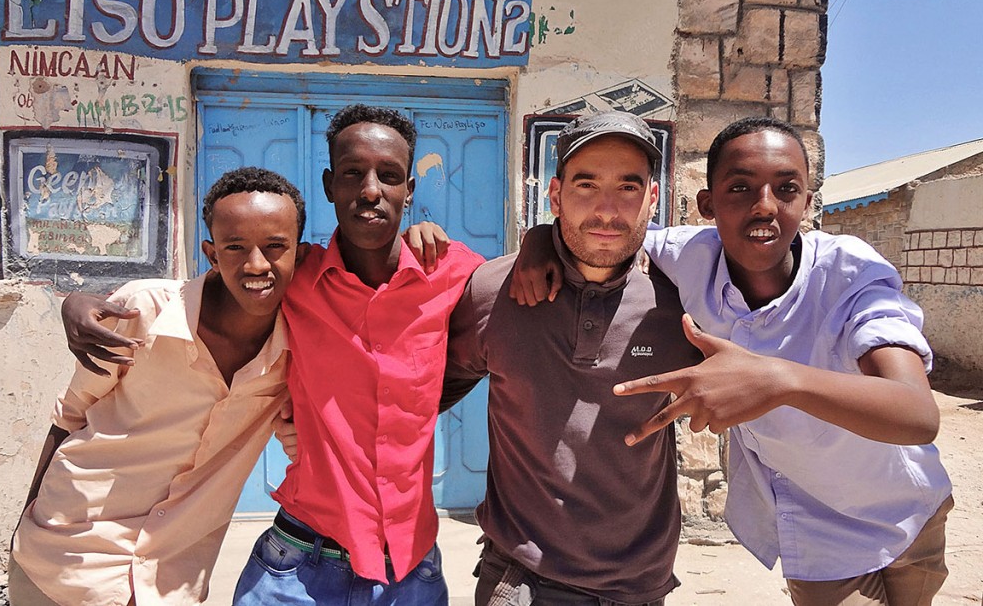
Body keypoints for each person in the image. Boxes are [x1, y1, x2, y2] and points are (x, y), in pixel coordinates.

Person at [513, 117, 953, 605]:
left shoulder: (850, 276)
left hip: (907, 508)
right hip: (818, 521)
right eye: (740, 188)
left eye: (786, 189)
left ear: (808, 202)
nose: (764, 207)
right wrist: (538, 241)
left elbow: (916, 413)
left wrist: (779, 380)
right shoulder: (689, 257)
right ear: (708, 204)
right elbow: (613, 229)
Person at [60, 104, 485, 606]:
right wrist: (79, 300)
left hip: (409, 567)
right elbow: (217, 284)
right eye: (353, 173)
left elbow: (516, 309)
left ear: (409, 189)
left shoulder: (454, 273)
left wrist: (543, 241)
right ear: (329, 185)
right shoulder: (297, 275)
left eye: (389, 176)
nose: (371, 189)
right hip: (296, 567)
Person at [10, 167, 306, 606]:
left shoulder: (297, 350)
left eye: (276, 246)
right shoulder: (143, 311)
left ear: (300, 251)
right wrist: (26, 522)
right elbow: (69, 416)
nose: (257, 264)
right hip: (65, 557)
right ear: (210, 252)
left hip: (169, 579)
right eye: (235, 247)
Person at [441, 111, 703, 605]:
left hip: (639, 589)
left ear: (652, 199)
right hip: (520, 583)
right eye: (587, 185)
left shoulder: (683, 301)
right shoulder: (493, 292)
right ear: (555, 195)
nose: (607, 210)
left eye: (628, 188)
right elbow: (418, 394)